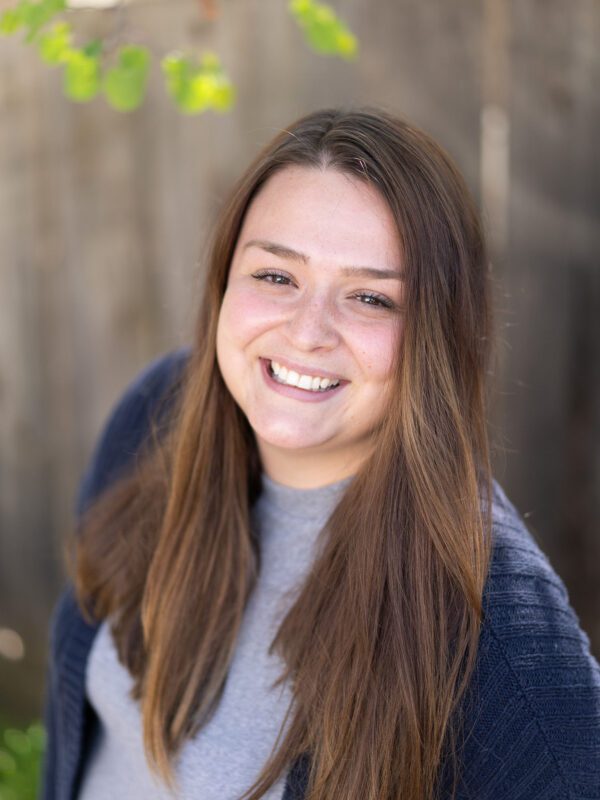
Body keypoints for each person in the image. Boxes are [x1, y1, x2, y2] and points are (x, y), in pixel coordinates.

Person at [41, 108, 600, 800]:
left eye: (370, 298)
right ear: (224, 281)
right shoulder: (158, 415)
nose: (308, 333)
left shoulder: (505, 649)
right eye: (276, 276)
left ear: (438, 332)